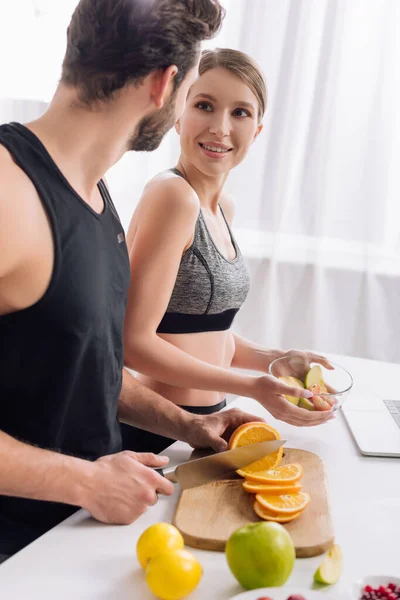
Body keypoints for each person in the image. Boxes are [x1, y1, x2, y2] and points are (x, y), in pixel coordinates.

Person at [0, 0, 266, 563]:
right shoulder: (8, 190)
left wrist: (192, 425)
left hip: (75, 537)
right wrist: (81, 481)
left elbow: (86, 367)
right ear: (165, 85)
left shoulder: (96, 195)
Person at [122, 48, 334, 454]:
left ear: (256, 130)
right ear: (177, 115)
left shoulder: (221, 208)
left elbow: (200, 335)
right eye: (204, 105)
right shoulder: (173, 196)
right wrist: (254, 387)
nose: (221, 128)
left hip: (209, 421)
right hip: (160, 429)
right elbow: (134, 343)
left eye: (240, 112)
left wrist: (274, 361)